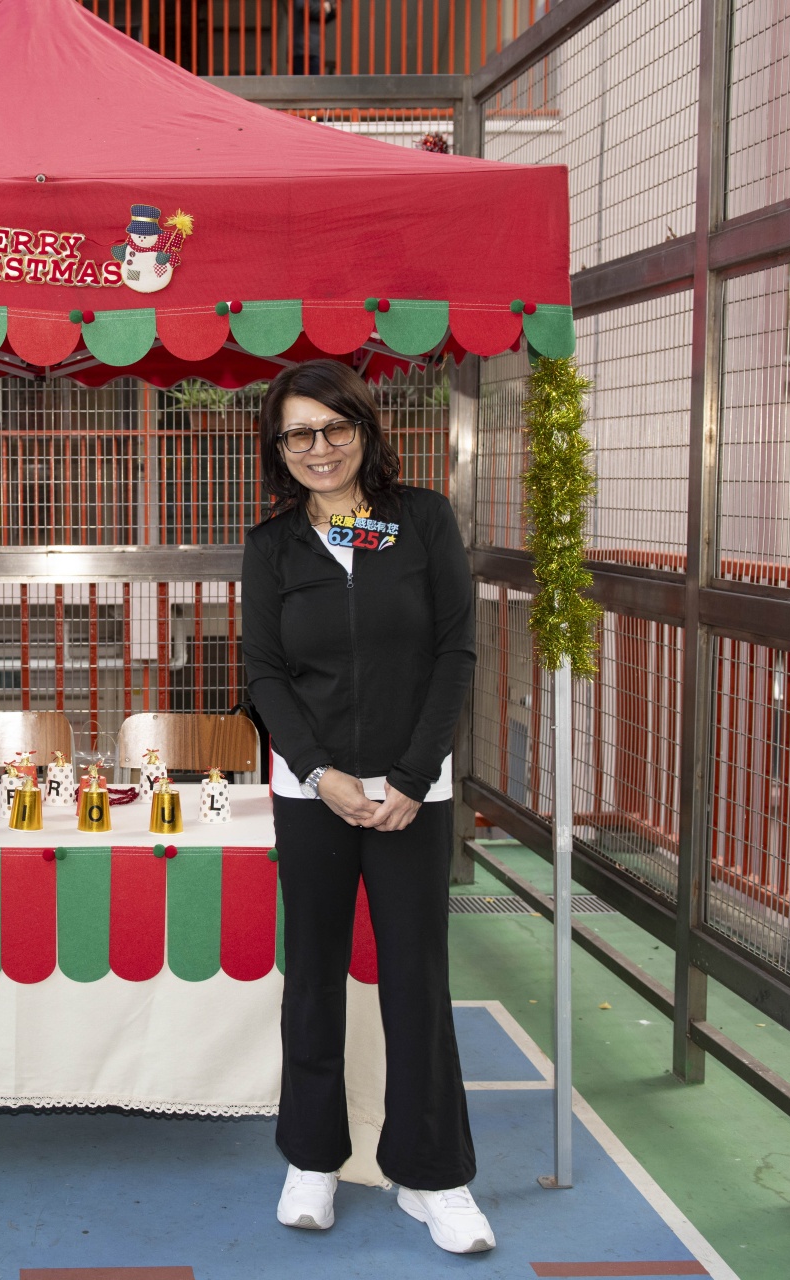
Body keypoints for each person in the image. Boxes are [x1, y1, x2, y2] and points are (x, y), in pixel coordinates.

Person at [241, 359, 491, 1254]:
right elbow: (265, 673)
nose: (320, 448)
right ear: (279, 449)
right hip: (313, 792)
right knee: (313, 974)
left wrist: (412, 777)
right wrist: (320, 773)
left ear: (364, 430)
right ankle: (312, 1159)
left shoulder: (420, 520)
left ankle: (433, 1175)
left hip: (412, 789)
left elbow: (455, 652)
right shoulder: (274, 546)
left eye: (335, 428)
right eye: (299, 435)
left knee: (416, 977)